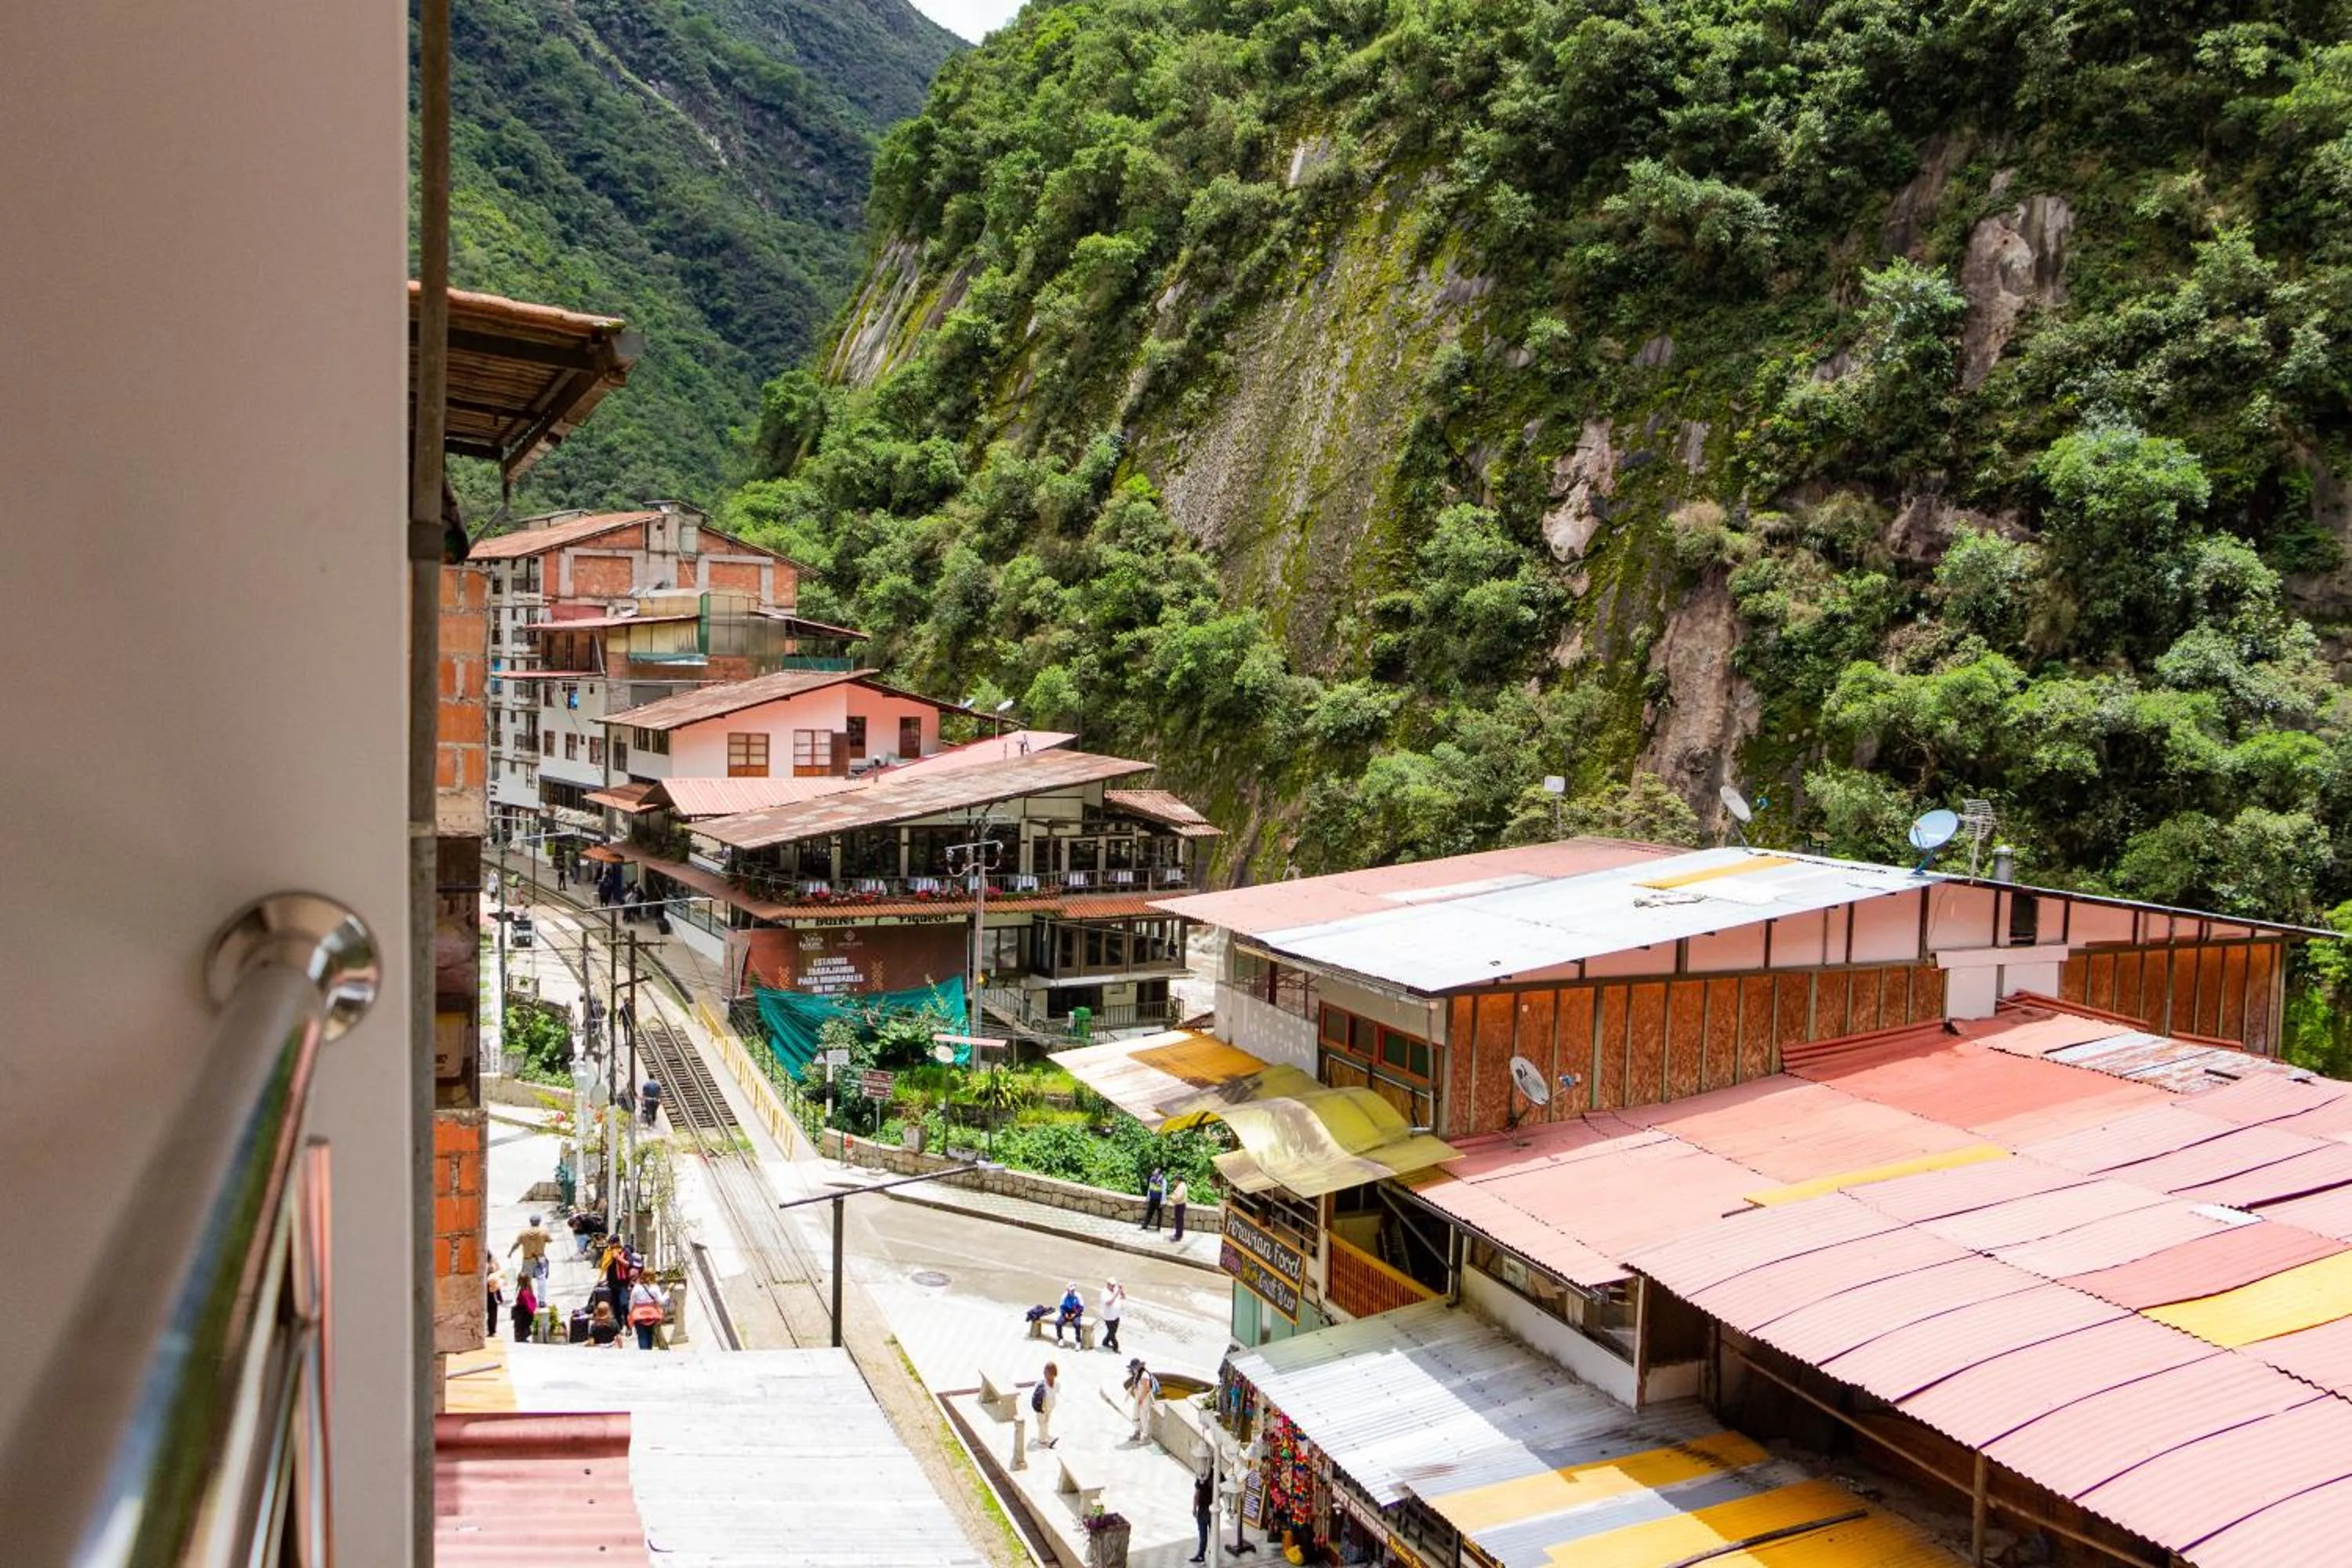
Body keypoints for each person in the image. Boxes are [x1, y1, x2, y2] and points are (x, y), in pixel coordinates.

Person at [508, 1214, 552, 1282]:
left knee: (526, 1280)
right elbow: (550, 1240)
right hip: (540, 1258)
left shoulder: (523, 1233)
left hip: (528, 1259)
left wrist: (511, 1252)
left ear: (530, 1222)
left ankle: (528, 1292)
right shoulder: (544, 1232)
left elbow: (516, 1244)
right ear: (539, 1222)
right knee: (542, 1279)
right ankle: (542, 1292)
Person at [627, 1278, 666, 1350]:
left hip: (639, 1317)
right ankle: (649, 1352)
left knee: (642, 1337)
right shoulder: (654, 1288)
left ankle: (644, 1354)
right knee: (650, 1336)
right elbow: (661, 1301)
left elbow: (631, 1304)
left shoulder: (636, 1288)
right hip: (652, 1316)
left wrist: (630, 1313)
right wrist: (668, 1292)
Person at [1029, 1361, 1060, 1449]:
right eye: (1045, 1373)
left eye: (1048, 1373)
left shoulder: (1057, 1384)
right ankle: (1042, 1440)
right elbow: (1036, 1392)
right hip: (1041, 1407)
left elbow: (1056, 1392)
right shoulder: (1041, 1384)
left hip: (1050, 1407)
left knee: (1046, 1421)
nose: (1046, 1375)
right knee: (1042, 1422)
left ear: (1054, 1374)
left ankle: (1045, 1436)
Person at [1127, 1359, 1158, 1444]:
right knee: (1136, 1415)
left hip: (1145, 1399)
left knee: (1143, 1417)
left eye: (1134, 1368)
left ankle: (1147, 1437)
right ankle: (1137, 1433)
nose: (1133, 1369)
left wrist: (1141, 1399)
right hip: (1139, 1398)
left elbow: (1147, 1389)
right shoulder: (1138, 1374)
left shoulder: (1144, 1375)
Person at [1191, 1468, 1215, 1564]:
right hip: (1214, 1509)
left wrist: (1194, 1508)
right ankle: (1213, 1552)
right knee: (1213, 1532)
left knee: (1203, 1533)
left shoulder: (1201, 1474)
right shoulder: (1217, 1474)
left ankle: (1201, 1555)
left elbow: (1197, 1494)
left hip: (1203, 1509)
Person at [1052, 1282, 1084, 1346]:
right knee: (1058, 1323)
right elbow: (1062, 1307)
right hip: (1066, 1313)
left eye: (1073, 1290)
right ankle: (1060, 1339)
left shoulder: (1078, 1296)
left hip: (1075, 1314)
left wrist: (1075, 1314)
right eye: (1071, 1290)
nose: (1072, 1291)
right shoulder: (1064, 1296)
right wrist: (1065, 1314)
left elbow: (1081, 1308)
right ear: (1067, 1290)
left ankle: (1078, 1342)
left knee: (1077, 1324)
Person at [510, 1276, 538, 1343]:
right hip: (524, 1312)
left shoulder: (523, 1292)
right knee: (523, 1326)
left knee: (521, 1325)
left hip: (523, 1312)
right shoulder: (527, 1291)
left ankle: (520, 1337)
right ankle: (521, 1337)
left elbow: (527, 1303)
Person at [1100, 1279, 1126, 1353]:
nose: (1114, 1287)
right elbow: (1109, 1303)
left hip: (1116, 1315)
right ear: (1108, 1284)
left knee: (1113, 1331)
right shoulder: (1104, 1292)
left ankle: (1105, 1342)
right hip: (1108, 1316)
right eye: (1112, 1285)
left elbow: (1123, 1297)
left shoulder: (1116, 1289)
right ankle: (1116, 1347)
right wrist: (1117, 1293)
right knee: (1112, 1333)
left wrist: (1121, 1290)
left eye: (1114, 1285)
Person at [485, 1254, 505, 1338]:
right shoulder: (493, 1263)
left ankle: (491, 1330)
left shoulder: (492, 1262)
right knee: (492, 1312)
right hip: (491, 1294)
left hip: (489, 1292)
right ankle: (491, 1331)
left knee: (491, 1312)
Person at [1141, 1168, 1167, 1232]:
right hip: (1152, 1198)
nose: (1154, 1173)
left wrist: (1163, 1202)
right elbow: (1150, 1189)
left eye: (1156, 1173)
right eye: (1154, 1172)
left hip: (1159, 1200)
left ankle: (1158, 1227)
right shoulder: (1152, 1179)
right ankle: (1145, 1225)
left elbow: (1164, 1191)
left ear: (1159, 1174)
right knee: (1149, 1212)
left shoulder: (1163, 1181)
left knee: (1159, 1214)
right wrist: (1148, 1198)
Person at [1170, 1177, 1191, 1242]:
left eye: (1175, 1180)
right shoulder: (1181, 1186)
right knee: (1179, 1221)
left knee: (1179, 1221)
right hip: (1179, 1204)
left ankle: (1178, 1236)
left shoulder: (1182, 1187)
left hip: (1180, 1205)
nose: (1174, 1182)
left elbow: (1178, 1197)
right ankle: (1178, 1234)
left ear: (1178, 1180)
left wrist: (1172, 1197)